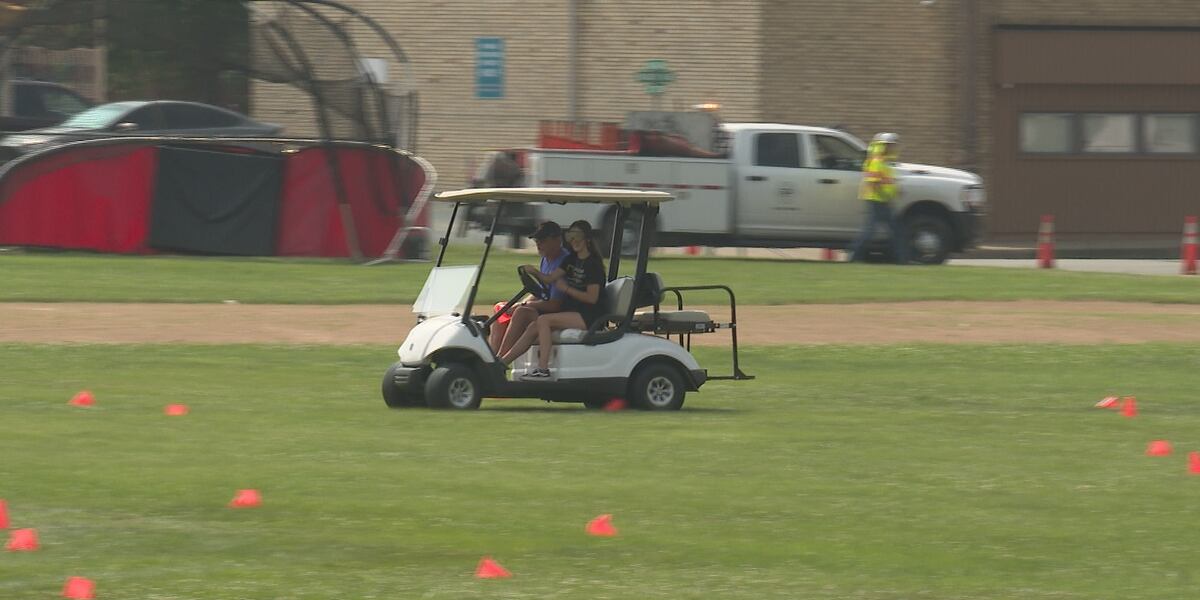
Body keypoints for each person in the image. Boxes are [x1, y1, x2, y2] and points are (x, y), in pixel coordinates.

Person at [499, 220, 606, 380]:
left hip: (589, 315)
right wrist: (534, 272)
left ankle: (543, 370)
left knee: (543, 321)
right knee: (534, 327)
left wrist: (567, 289)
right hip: (573, 312)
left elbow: (592, 298)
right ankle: (500, 364)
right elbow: (549, 279)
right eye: (571, 237)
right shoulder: (571, 260)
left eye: (578, 237)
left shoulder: (593, 265)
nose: (574, 241)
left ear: (587, 239)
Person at [490, 221, 571, 355]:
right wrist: (518, 304)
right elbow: (540, 290)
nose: (538, 244)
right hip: (546, 310)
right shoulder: (546, 259)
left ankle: (500, 359)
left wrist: (525, 305)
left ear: (557, 240)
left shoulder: (564, 263)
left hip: (560, 313)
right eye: (537, 240)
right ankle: (492, 357)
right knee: (501, 308)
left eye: (543, 240)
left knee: (521, 312)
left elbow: (554, 305)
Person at [849, 132, 908, 264]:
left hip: (881, 200)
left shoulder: (884, 162)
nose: (894, 149)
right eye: (891, 146)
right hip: (877, 200)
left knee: (877, 230)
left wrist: (895, 191)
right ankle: (902, 259)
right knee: (886, 230)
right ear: (884, 146)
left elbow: (887, 181)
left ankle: (854, 256)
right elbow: (874, 182)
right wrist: (886, 195)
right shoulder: (877, 162)